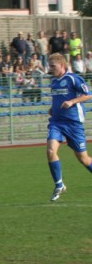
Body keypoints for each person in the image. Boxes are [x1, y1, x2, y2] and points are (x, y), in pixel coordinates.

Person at [45, 52, 92, 202]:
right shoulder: (53, 81)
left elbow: (88, 94)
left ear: (62, 65)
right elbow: (58, 98)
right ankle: (59, 184)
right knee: (51, 150)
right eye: (50, 66)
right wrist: (53, 109)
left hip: (73, 123)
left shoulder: (73, 78)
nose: (50, 68)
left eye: (53, 66)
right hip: (57, 122)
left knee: (83, 159)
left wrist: (72, 102)